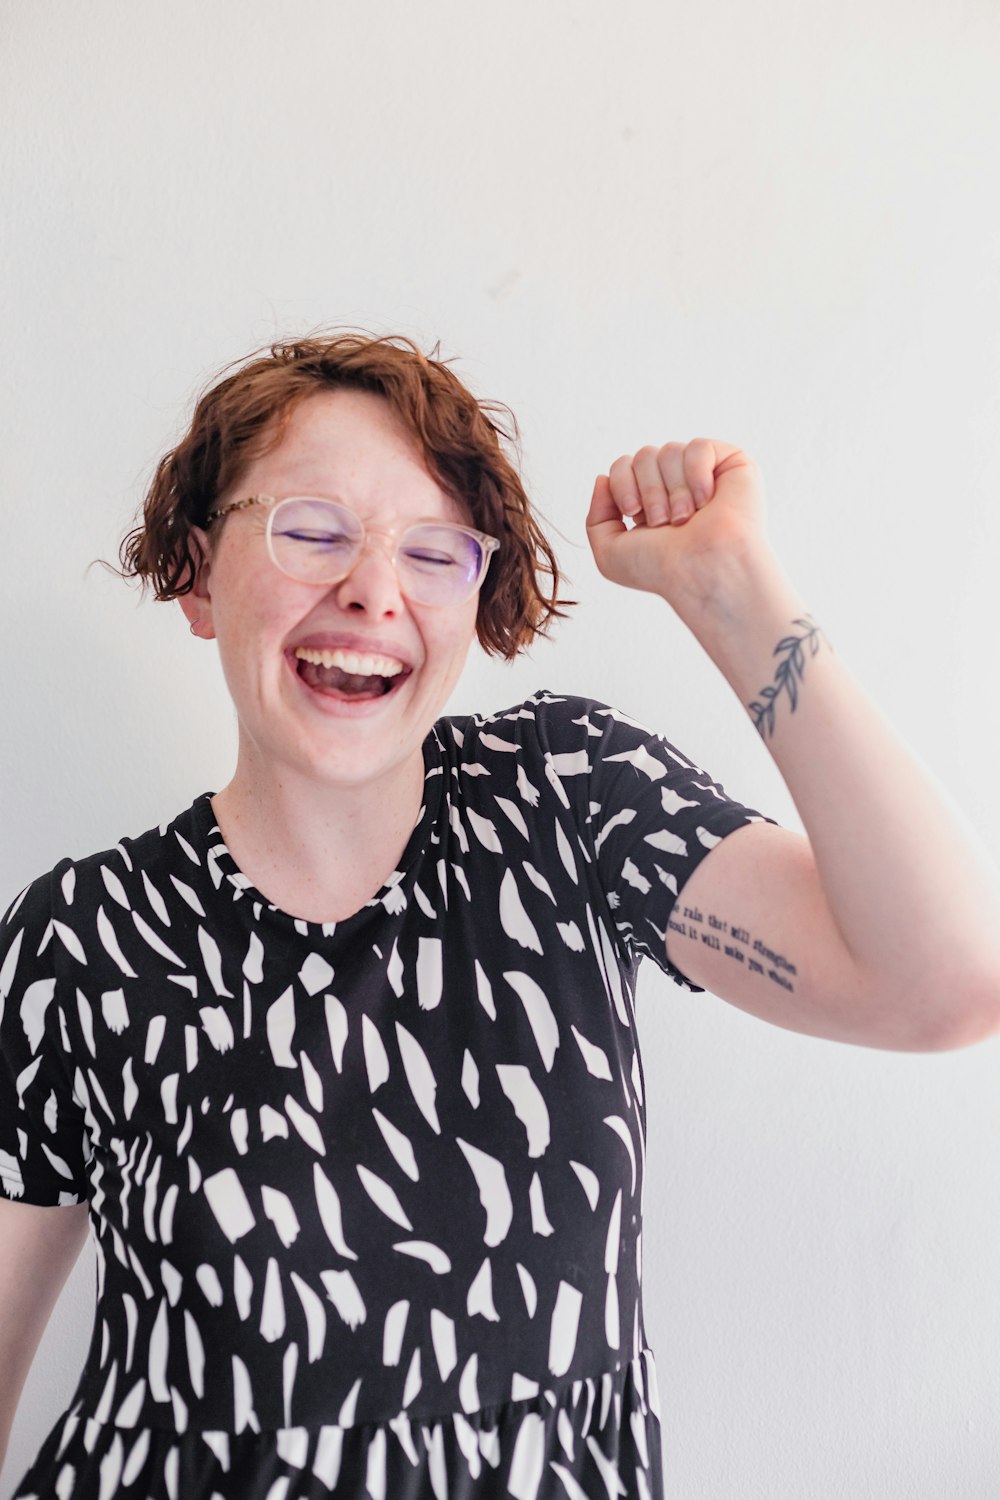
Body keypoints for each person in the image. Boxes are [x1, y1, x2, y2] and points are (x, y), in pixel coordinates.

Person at [2, 332, 998, 1500]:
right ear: (195, 571)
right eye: (312, 530)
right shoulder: (82, 940)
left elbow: (943, 984)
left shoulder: (567, 800)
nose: (373, 588)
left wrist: (730, 593)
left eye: (434, 551)